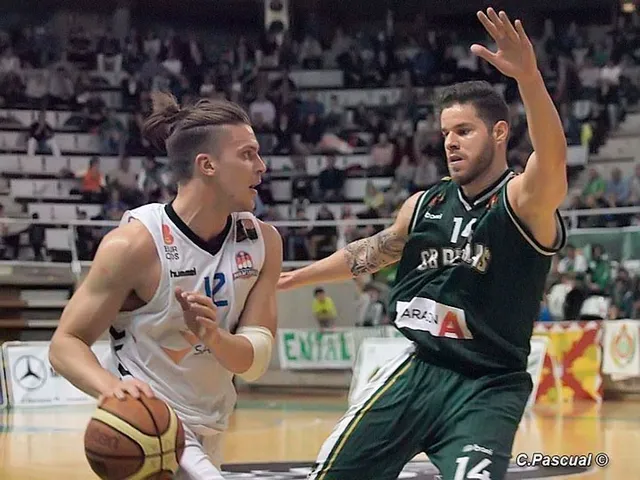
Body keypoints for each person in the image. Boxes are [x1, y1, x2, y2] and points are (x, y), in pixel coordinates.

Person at [278, 9, 568, 480]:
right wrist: (293, 278)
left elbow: (552, 158)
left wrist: (529, 79)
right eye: (446, 133)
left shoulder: (522, 200)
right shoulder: (424, 204)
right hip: (418, 369)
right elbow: (370, 252)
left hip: (488, 384)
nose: (450, 143)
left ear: (499, 133)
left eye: (464, 131)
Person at [49, 92, 283, 480]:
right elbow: (65, 344)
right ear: (207, 165)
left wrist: (213, 336)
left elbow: (254, 362)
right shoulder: (134, 245)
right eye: (248, 154)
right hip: (153, 424)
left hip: (213, 421)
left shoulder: (263, 242)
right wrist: (112, 390)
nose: (261, 167)